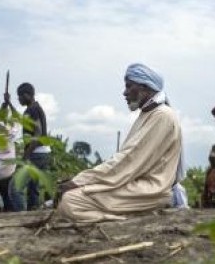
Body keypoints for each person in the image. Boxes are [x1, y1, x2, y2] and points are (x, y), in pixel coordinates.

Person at [57, 63, 185, 223]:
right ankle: (131, 215)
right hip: (137, 185)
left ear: (145, 87)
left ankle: (124, 220)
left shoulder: (161, 116)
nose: (125, 93)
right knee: (71, 200)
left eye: (129, 86)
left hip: (152, 190)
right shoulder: (149, 115)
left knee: (71, 201)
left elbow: (128, 160)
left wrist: (80, 181)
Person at [5, 83, 51, 211]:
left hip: (35, 154)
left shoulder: (33, 110)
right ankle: (32, 217)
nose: (18, 99)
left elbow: (38, 133)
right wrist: (9, 104)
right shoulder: (32, 109)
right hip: (43, 154)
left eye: (19, 96)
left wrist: (26, 156)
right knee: (33, 190)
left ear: (27, 95)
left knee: (15, 189)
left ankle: (22, 218)